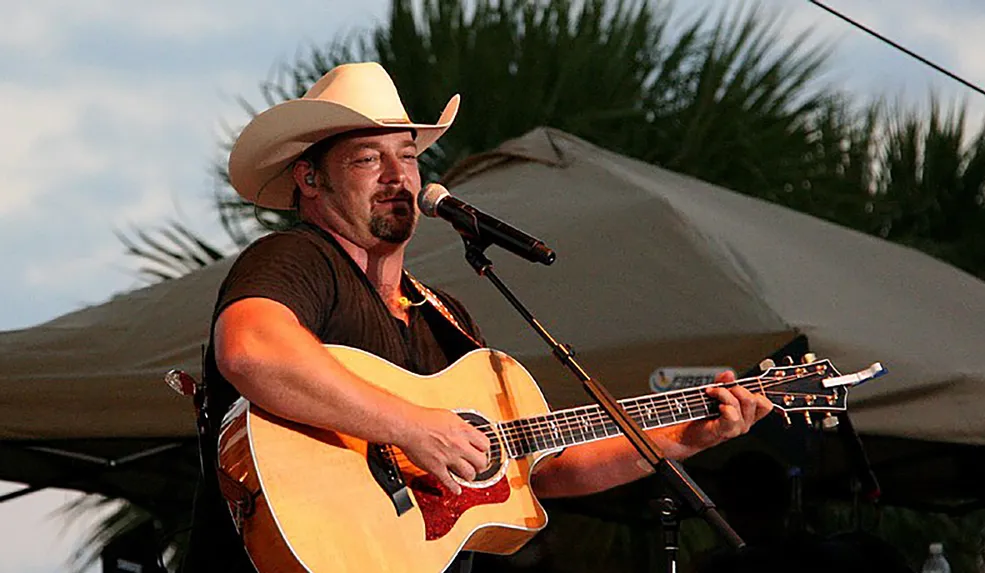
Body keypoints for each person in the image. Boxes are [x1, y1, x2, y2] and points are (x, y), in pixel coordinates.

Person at [182, 62, 773, 572]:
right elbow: (253, 351)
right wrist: (411, 425)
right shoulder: (300, 257)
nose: (398, 177)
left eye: (408, 156)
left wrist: (690, 434)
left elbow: (544, 468)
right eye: (368, 158)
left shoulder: (444, 316)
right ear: (310, 179)